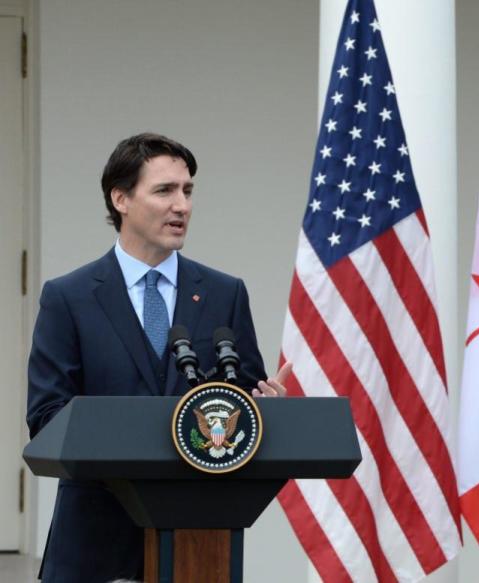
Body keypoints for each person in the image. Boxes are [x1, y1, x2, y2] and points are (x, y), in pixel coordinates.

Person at [26, 133, 291, 582]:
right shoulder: (68, 298)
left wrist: (262, 411)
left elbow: (239, 401)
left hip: (199, 541)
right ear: (121, 198)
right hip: (94, 541)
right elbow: (47, 417)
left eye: (188, 191)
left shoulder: (224, 294)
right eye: (165, 190)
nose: (182, 205)